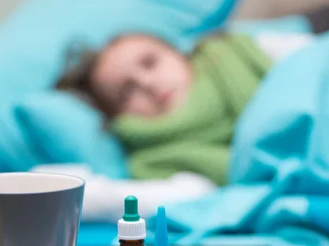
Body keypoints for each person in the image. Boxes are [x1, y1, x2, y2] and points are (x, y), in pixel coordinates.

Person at [56, 32, 275, 186]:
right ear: (118, 116)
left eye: (150, 62)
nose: (148, 83)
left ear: (178, 53)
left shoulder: (240, 52)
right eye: (127, 91)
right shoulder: (153, 164)